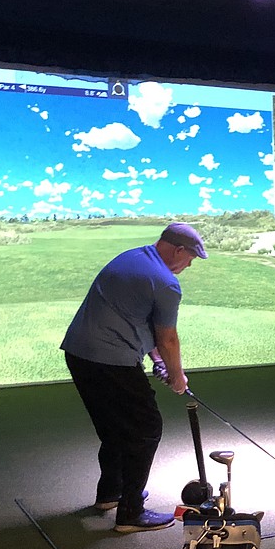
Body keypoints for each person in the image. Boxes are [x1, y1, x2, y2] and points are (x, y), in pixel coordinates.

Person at [61, 223, 206, 532]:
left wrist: (159, 362)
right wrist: (178, 377)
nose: (190, 265)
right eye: (191, 258)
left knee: (115, 428)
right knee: (146, 428)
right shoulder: (165, 282)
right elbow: (167, 339)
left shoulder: (131, 258)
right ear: (178, 250)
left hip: (78, 353)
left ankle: (110, 494)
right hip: (111, 360)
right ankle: (131, 513)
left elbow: (140, 324)